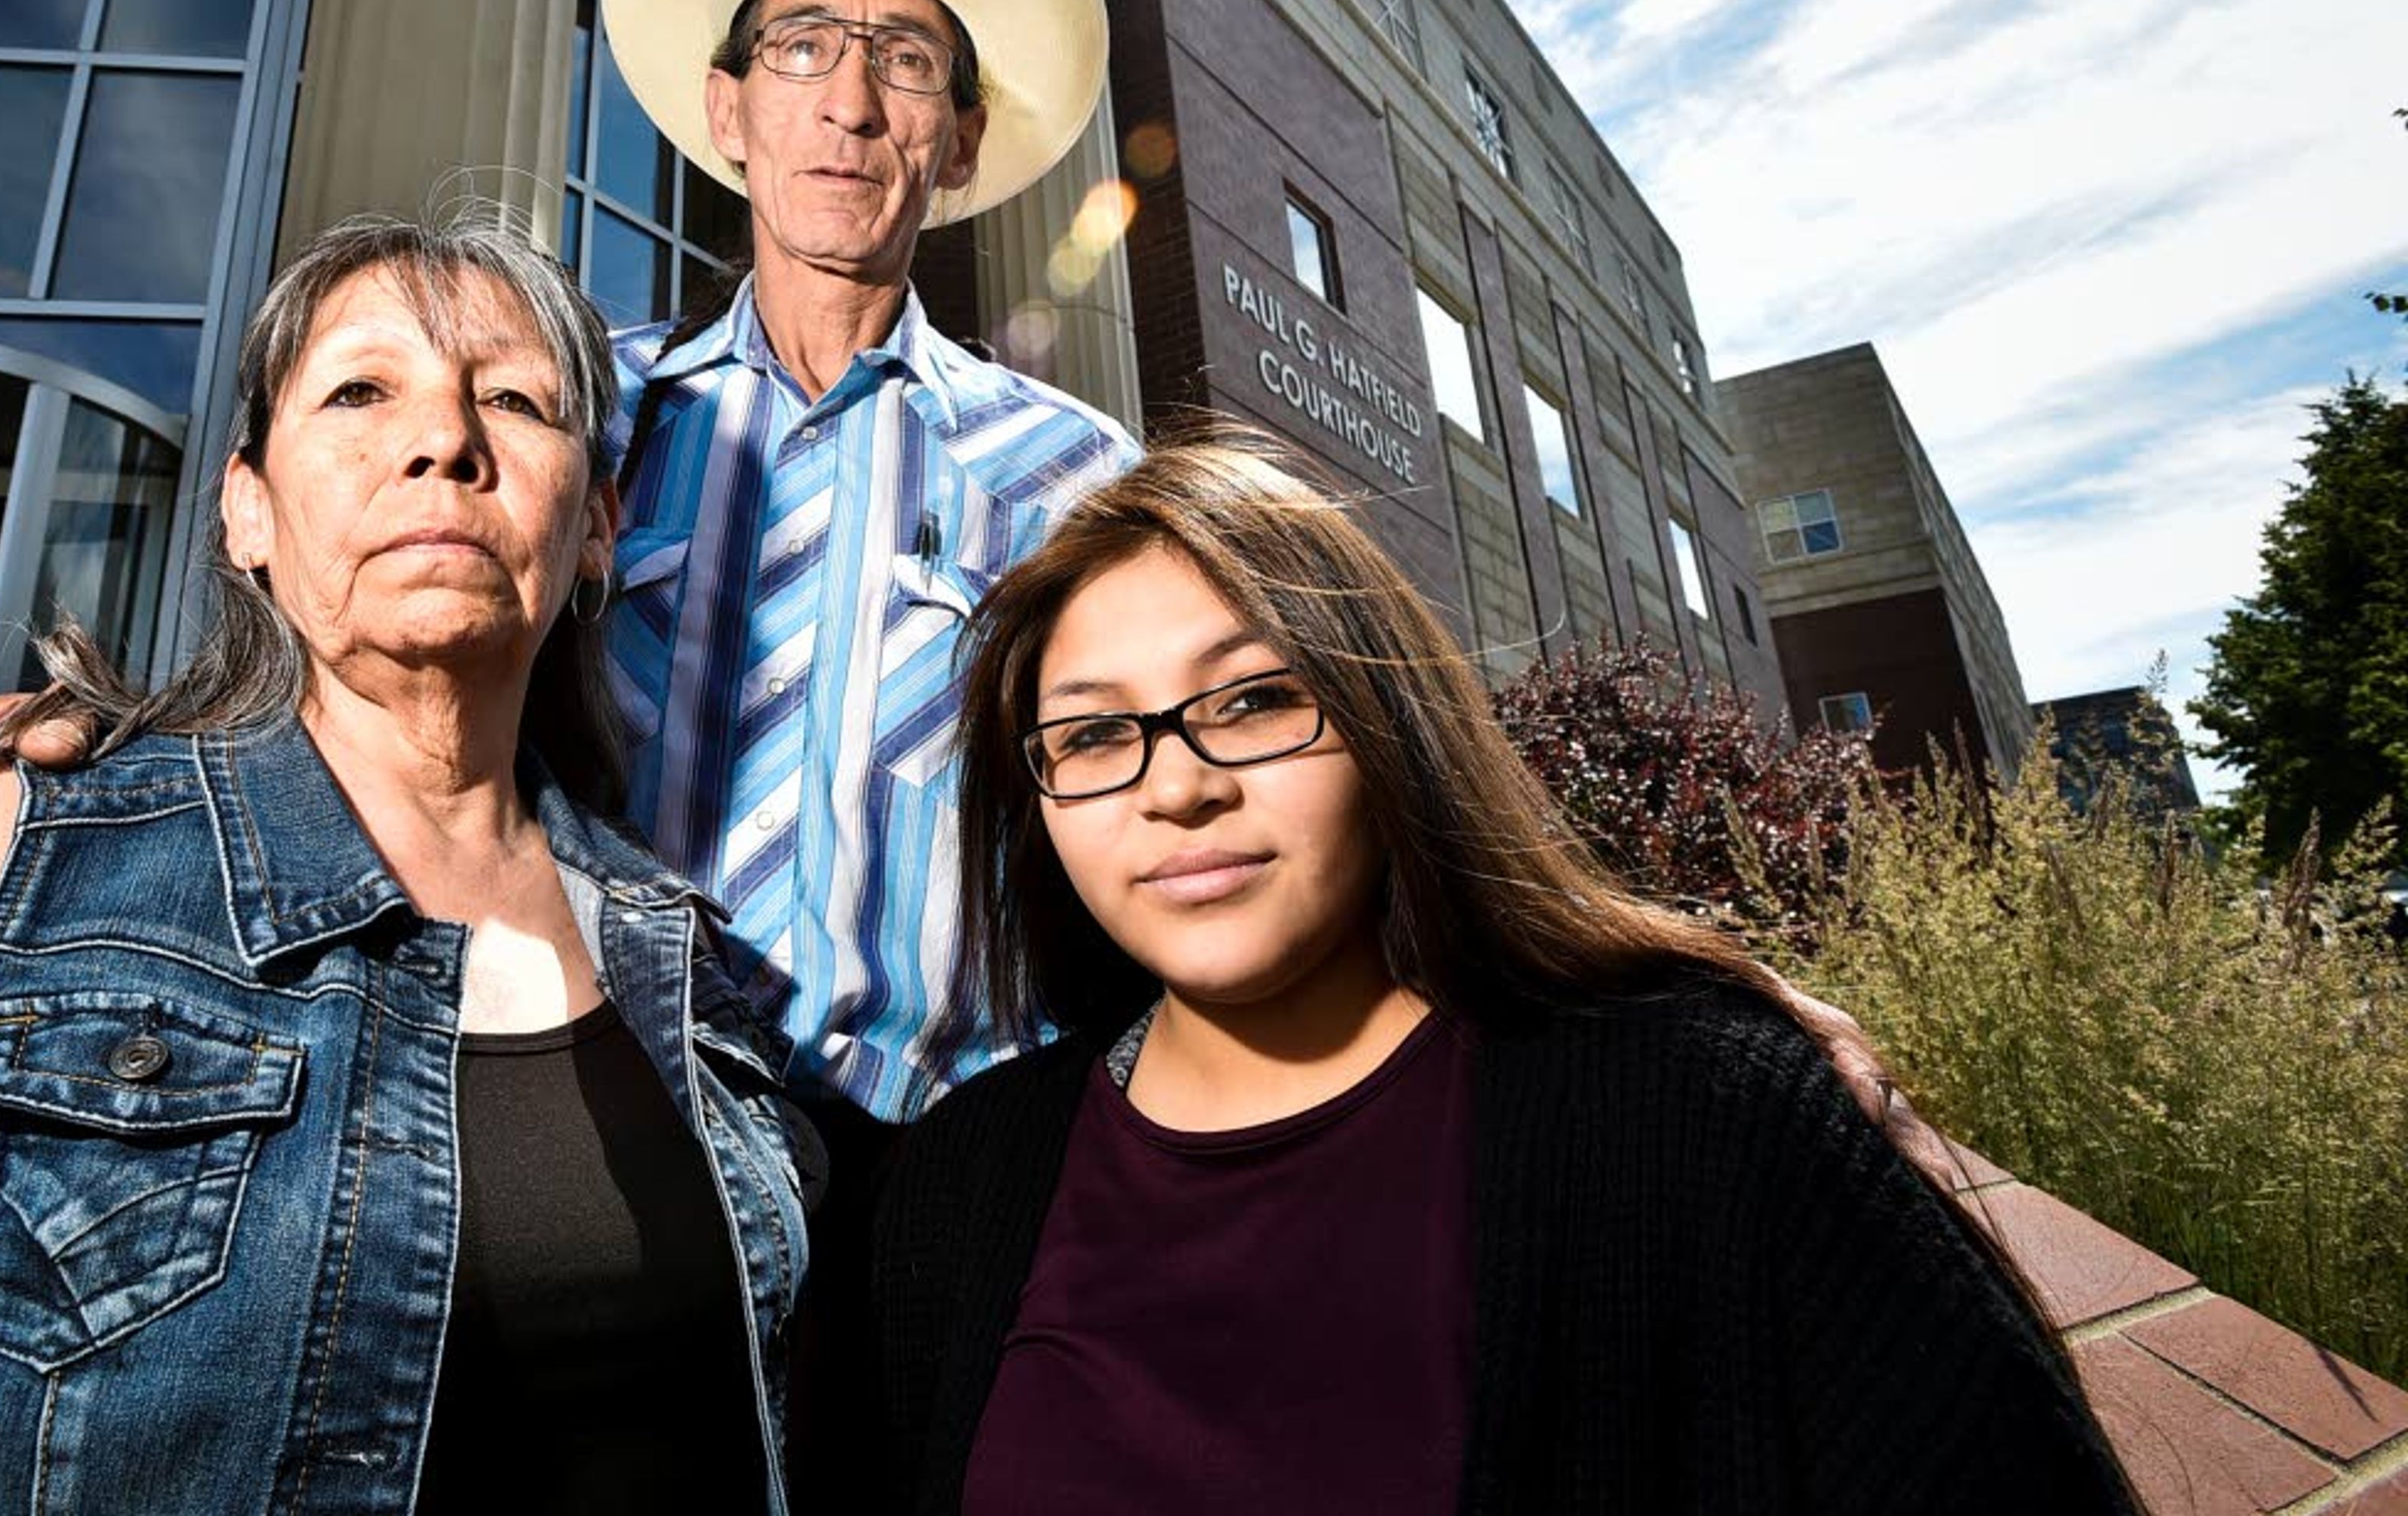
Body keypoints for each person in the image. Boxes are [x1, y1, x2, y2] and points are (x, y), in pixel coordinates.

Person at [0, 0, 1139, 1155]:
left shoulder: (1077, 480)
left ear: (956, 140)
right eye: (803, 48)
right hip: (594, 1119)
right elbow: (345, 674)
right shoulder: (564, 417)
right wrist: (39, 760)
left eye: (904, 62)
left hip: (935, 1151)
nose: (848, 101)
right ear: (731, 111)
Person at [0, 218, 811, 1513]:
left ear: (596, 529)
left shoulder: (689, 965)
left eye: (512, 399)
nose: (445, 441)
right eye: (360, 389)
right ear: (248, 509)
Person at [867, 431, 2139, 1515]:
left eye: (1255, 698)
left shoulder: (1706, 1113)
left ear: (1385, 721)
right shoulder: (965, 1177)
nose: (1179, 783)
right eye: (1092, 732)